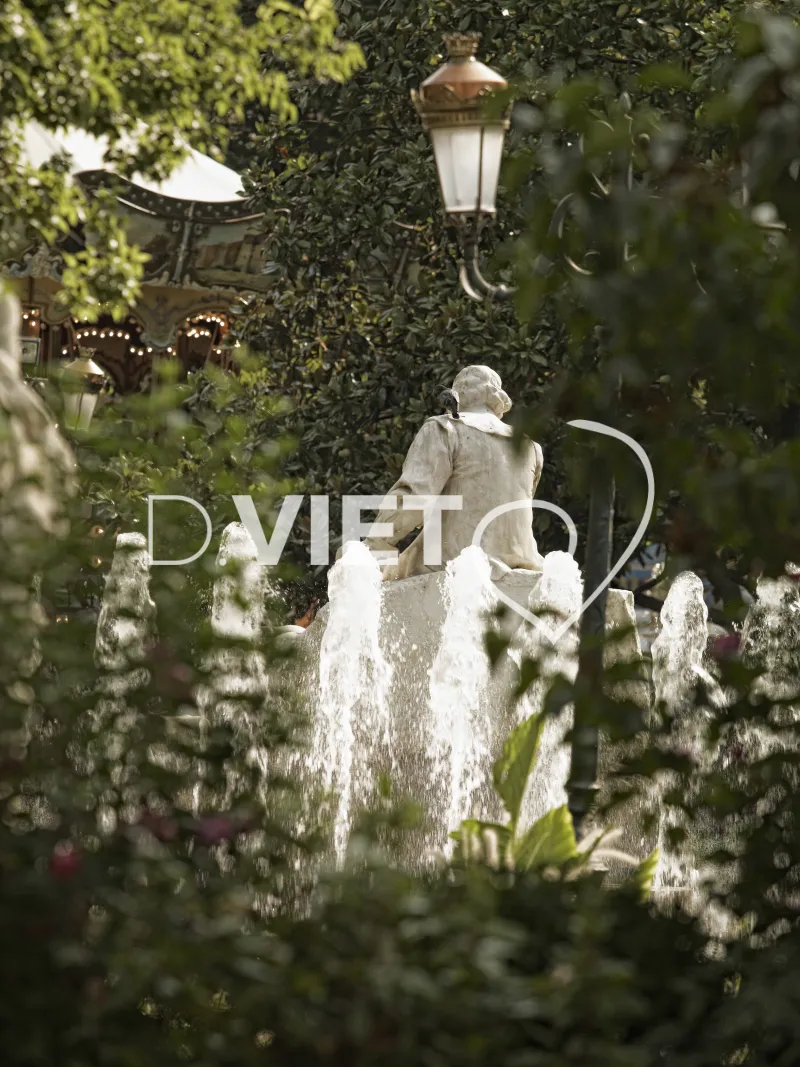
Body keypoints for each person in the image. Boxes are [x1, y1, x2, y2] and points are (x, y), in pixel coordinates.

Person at [365, 365, 544, 581]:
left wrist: (374, 544)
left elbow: (415, 499)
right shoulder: (531, 447)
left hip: (452, 562)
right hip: (521, 563)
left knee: (359, 569)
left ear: (457, 395)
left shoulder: (444, 428)